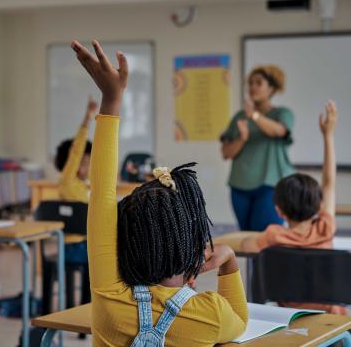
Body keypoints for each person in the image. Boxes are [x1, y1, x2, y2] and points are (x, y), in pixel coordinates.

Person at [71, 39, 248, 346]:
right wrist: (229, 260)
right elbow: (241, 323)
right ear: (192, 245)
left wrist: (111, 99)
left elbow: (101, 193)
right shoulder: (211, 313)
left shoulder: (108, 293)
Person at [242, 101, 345, 315]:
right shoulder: (325, 227)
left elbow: (246, 245)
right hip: (335, 326)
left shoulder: (273, 236)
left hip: (292, 321)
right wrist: (328, 136)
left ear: (279, 210)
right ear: (318, 205)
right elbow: (329, 183)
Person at [220, 65, 294, 231]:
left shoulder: (282, 113)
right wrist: (242, 139)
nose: (252, 87)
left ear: (271, 89)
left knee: (267, 237)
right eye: (250, 83)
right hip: (239, 186)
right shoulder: (239, 117)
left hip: (271, 185)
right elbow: (226, 153)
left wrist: (254, 115)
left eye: (258, 83)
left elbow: (279, 131)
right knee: (245, 239)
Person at [55, 97, 97, 203]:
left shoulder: (82, 185)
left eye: (89, 163)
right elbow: (76, 152)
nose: (88, 168)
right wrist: (88, 117)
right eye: (84, 163)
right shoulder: (67, 181)